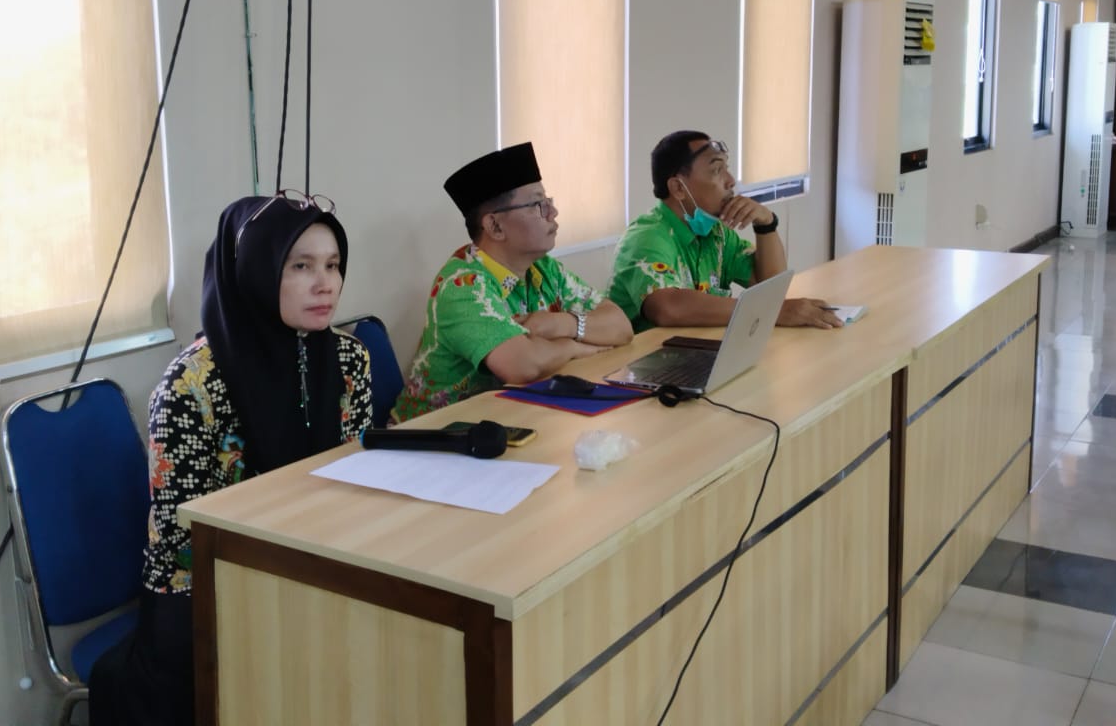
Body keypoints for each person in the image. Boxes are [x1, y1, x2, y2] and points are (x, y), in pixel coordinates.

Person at [89, 191, 373, 726]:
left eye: (333, 265)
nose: (326, 284)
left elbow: (353, 475)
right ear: (256, 272)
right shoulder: (191, 384)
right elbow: (185, 536)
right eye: (301, 266)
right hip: (210, 587)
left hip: (322, 559)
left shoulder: (348, 358)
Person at [394, 142, 633, 422]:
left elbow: (620, 326)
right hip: (434, 434)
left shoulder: (544, 268)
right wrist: (572, 347)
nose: (553, 213)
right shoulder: (463, 285)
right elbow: (522, 365)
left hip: (509, 419)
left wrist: (561, 324)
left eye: (549, 201)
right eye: (538, 205)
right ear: (495, 226)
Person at [608, 130, 842, 332]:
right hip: (643, 364)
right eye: (717, 170)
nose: (731, 181)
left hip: (694, 351)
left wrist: (766, 224)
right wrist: (772, 312)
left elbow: (771, 289)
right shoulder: (646, 237)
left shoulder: (717, 233)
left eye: (726, 169)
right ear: (678, 187)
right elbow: (668, 307)